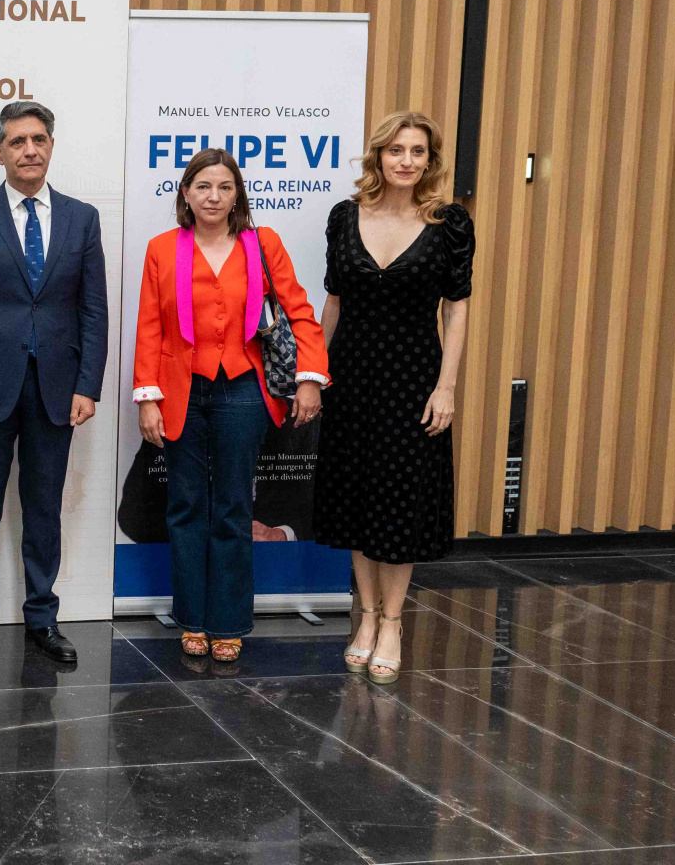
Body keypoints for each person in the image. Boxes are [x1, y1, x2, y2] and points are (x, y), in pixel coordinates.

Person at [131, 148, 327, 662]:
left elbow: (301, 313)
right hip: (181, 390)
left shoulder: (264, 244)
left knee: (234, 508)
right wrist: (147, 397)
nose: (213, 196)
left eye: (224, 186)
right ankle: (192, 619)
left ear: (237, 194)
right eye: (203, 186)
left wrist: (310, 380)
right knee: (187, 506)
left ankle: (230, 621)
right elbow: (150, 327)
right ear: (186, 194)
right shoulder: (162, 249)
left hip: (243, 385)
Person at [0, 101, 108, 665]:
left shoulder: (82, 217)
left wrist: (88, 384)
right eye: (17, 142)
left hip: (58, 387)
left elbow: (94, 309)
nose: (29, 150)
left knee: (44, 508)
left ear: (51, 146)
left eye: (38, 140)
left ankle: (43, 617)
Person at [314, 111, 474, 684]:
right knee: (357, 500)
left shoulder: (449, 224)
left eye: (418, 152)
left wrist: (447, 386)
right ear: (378, 157)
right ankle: (365, 616)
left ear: (430, 161)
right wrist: (315, 372)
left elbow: (455, 309)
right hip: (351, 377)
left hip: (414, 379)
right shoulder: (344, 217)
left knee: (399, 504)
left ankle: (392, 622)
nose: (406, 160)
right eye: (396, 150)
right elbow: (332, 302)